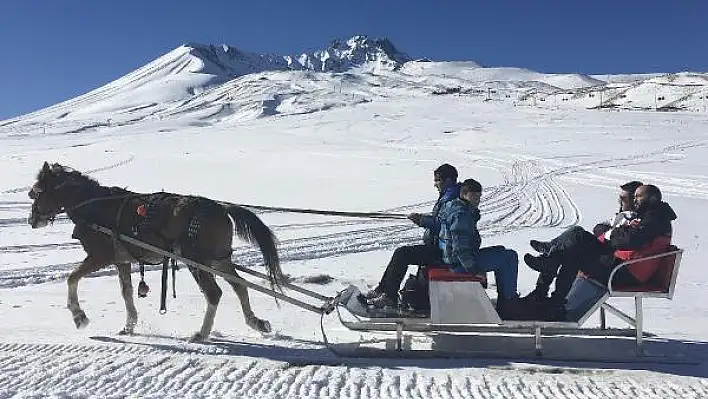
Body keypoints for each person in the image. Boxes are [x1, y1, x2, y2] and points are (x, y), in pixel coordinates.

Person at [524, 184, 676, 313]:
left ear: (651, 199)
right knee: (577, 235)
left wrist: (612, 233)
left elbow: (630, 239)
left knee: (576, 249)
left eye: (638, 197)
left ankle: (549, 277)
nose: (634, 201)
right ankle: (551, 272)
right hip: (621, 264)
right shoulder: (650, 216)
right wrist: (618, 232)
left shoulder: (655, 219)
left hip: (625, 272)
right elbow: (622, 234)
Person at [363, 164, 461, 309]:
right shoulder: (449, 196)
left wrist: (422, 220)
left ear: (448, 180)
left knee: (402, 254)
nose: (435, 184)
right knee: (402, 253)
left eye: (437, 180)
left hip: (446, 252)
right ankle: (383, 290)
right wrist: (422, 219)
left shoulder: (453, 200)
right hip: (442, 247)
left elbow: (443, 224)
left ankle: (389, 296)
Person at [436, 178, 520, 316]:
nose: (477, 200)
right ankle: (509, 302)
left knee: (501, 251)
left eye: (479, 197)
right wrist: (474, 270)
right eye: (474, 196)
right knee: (509, 257)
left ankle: (506, 300)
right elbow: (460, 248)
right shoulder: (461, 214)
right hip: (460, 264)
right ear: (463, 194)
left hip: (456, 259)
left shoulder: (454, 207)